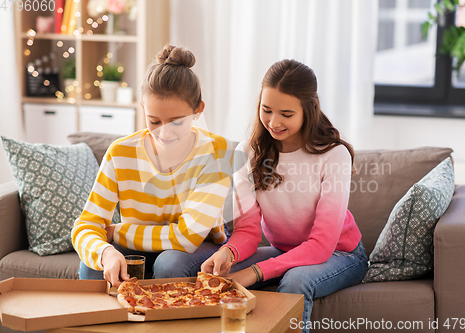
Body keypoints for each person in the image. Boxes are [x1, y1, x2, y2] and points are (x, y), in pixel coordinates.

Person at [201, 59, 367, 332]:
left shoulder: (334, 155)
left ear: (309, 109)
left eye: (287, 114)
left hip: (340, 254)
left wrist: (255, 272)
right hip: (284, 250)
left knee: (295, 280)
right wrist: (229, 252)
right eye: (267, 110)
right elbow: (248, 232)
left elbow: (322, 245)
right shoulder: (248, 154)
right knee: (192, 265)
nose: (274, 122)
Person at [72, 44, 233, 288]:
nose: (164, 133)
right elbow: (86, 225)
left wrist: (119, 233)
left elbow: (188, 237)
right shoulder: (120, 153)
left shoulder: (216, 151)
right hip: (140, 246)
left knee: (169, 264)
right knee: (93, 266)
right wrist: (106, 253)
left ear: (198, 110)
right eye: (154, 121)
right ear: (143, 109)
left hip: (195, 248)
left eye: (177, 122)